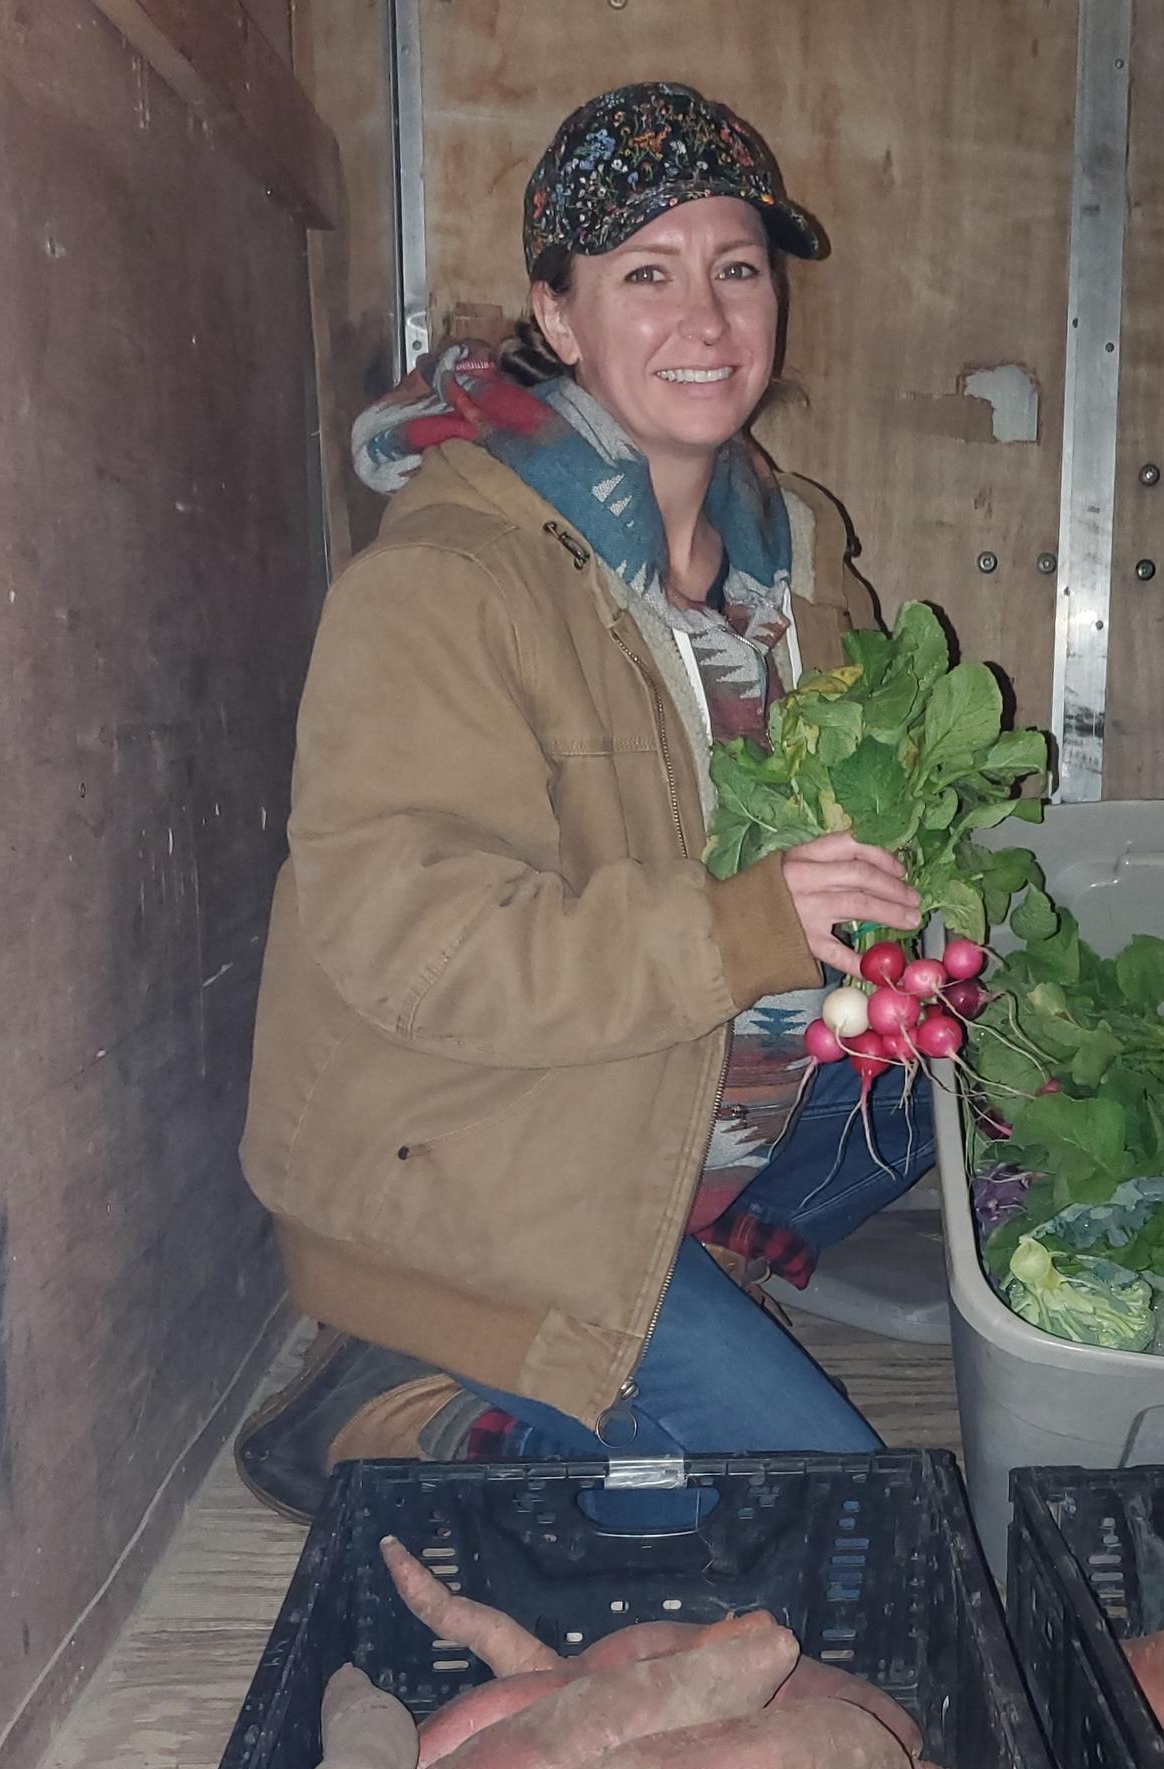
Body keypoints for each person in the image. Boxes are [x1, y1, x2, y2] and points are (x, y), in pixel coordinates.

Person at [236, 82, 934, 1525]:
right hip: (491, 1164)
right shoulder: (442, 585)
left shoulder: (796, 561)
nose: (708, 320)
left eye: (738, 268)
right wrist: (753, 926)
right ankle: (418, 1398)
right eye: (647, 275)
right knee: (841, 1528)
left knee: (953, 1093)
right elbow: (418, 942)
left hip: (678, 1110)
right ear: (557, 316)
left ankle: (682, 1296)